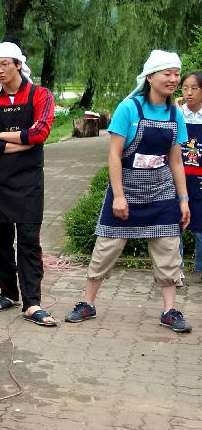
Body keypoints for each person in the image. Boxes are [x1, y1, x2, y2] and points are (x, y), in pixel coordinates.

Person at [65, 51, 192, 332]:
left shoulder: (175, 114)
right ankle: (87, 303)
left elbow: (175, 159)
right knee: (106, 248)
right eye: (167, 73)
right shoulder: (129, 109)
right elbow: (114, 155)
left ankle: (170, 310)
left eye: (176, 73)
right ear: (150, 77)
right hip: (126, 191)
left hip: (161, 192)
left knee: (168, 251)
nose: (173, 79)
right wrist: (119, 195)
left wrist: (183, 199)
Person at [0, 41, 56, 326]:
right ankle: (8, 293)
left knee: (28, 242)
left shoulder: (40, 95)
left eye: (4, 65)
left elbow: (41, 132)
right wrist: (18, 142)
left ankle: (32, 302)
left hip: (28, 181)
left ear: (18, 65)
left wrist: (1, 136)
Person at [178, 71, 202, 282]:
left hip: (200, 180)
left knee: (200, 229)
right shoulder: (178, 114)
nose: (189, 92)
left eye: (194, 88)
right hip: (179, 177)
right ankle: (176, 270)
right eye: (185, 88)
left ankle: (200, 268)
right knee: (175, 227)